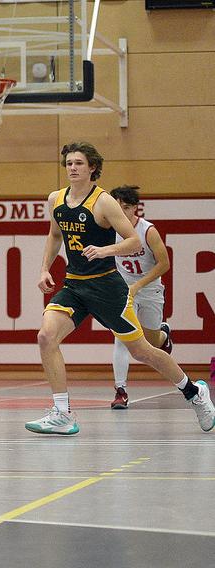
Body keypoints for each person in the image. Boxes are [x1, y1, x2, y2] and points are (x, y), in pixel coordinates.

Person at [27, 142, 214, 435]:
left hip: (107, 287)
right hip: (74, 285)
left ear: (92, 168)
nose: (72, 167)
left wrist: (104, 251)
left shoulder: (103, 202)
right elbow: (54, 236)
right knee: (45, 337)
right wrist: (43, 268)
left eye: (79, 163)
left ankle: (194, 392)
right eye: (69, 163)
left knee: (142, 351)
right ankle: (62, 414)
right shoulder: (56, 199)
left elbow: (133, 241)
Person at [109, 185, 173, 409]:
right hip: (123, 291)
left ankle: (164, 336)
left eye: (126, 207)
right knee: (121, 338)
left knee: (151, 342)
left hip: (149, 289)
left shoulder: (148, 231)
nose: (122, 211)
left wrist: (139, 284)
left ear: (135, 208)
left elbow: (164, 264)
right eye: (117, 207)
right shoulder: (108, 230)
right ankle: (120, 391)